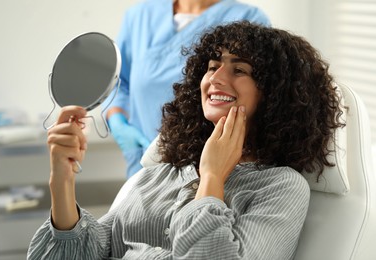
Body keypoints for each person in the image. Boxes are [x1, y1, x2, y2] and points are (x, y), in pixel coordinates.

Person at [28, 21, 345, 259]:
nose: (216, 78)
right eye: (212, 66)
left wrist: (212, 177)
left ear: (277, 94)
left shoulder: (280, 188)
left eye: (240, 70)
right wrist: (62, 182)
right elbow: (91, 250)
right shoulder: (162, 172)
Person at [104, 0, 271, 178]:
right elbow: (117, 81)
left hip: (206, 162)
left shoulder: (248, 17)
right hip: (144, 158)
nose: (215, 78)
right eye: (213, 67)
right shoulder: (139, 17)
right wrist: (117, 121)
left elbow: (263, 87)